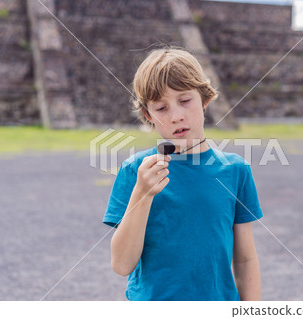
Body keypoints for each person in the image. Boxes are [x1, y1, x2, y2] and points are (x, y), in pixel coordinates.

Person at [103, 46, 263, 301]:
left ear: (205, 99)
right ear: (148, 115)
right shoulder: (136, 171)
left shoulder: (236, 171)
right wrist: (142, 193)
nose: (176, 116)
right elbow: (122, 265)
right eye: (161, 108)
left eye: (185, 101)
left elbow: (245, 259)